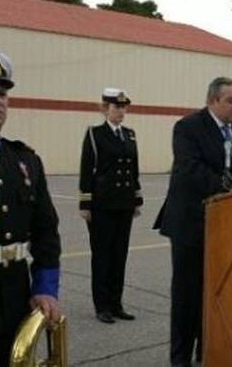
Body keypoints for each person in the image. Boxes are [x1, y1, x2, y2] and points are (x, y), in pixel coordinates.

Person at [154, 77, 232, 367]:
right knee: (188, 295)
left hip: (230, 226)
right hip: (192, 223)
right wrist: (228, 188)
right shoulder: (188, 128)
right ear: (213, 102)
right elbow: (189, 169)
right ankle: (181, 359)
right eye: (231, 100)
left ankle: (210, 351)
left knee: (220, 292)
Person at [0, 49, 62, 366]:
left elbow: (46, 231)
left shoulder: (24, 160)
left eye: (3, 93)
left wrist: (46, 289)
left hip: (14, 304)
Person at [79, 88, 143, 324]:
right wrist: (85, 202)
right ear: (105, 109)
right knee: (102, 256)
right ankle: (102, 306)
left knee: (119, 255)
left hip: (124, 203)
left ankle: (116, 304)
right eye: (117, 107)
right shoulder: (95, 134)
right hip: (102, 204)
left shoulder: (130, 134)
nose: (121, 111)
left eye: (124, 107)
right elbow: (87, 169)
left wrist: (136, 199)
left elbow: (133, 169)